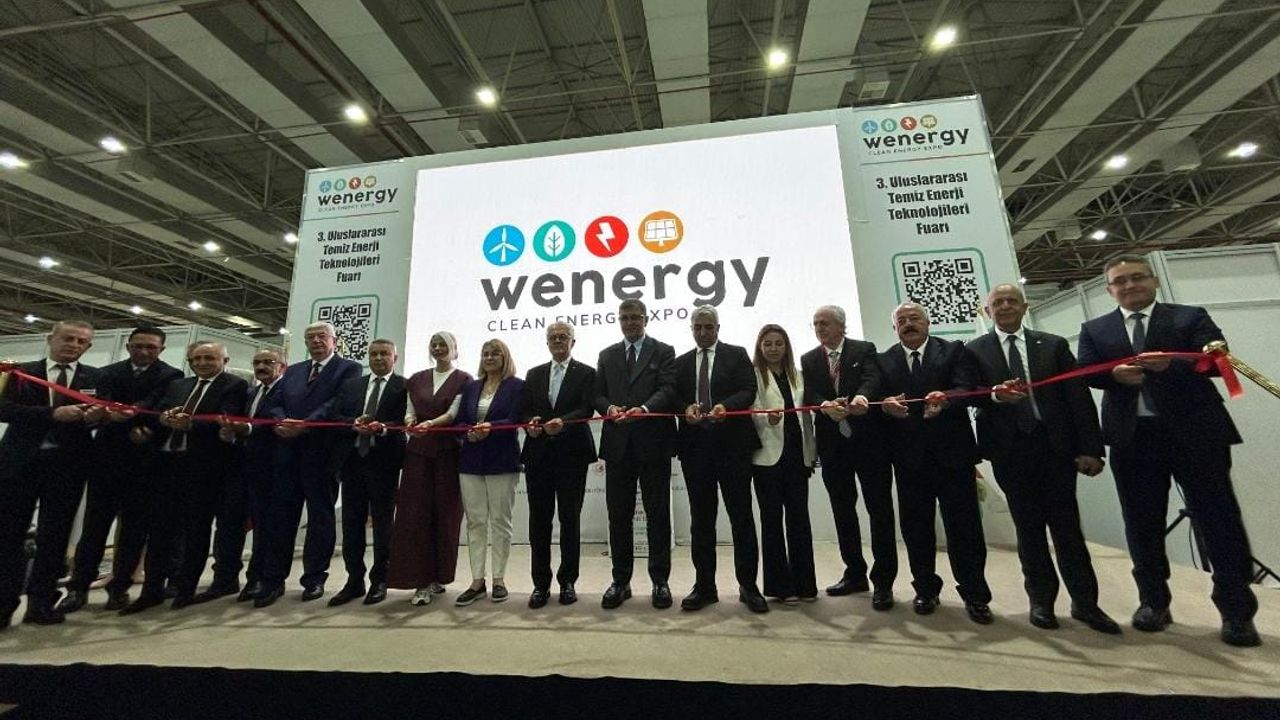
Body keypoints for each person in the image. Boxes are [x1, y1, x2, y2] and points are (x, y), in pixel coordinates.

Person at [1077, 255, 1259, 647]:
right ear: (1109, 289)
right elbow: (1087, 371)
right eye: (1120, 281)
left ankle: (1237, 612)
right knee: (1141, 524)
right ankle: (1154, 602)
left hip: (1197, 436)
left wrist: (1171, 366)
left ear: (1154, 280)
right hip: (1133, 439)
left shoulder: (1190, 317)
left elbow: (1218, 362)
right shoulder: (1095, 328)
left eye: (1136, 277)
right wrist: (1113, 375)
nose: (1129, 286)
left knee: (1219, 521)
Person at [968, 284, 1120, 634]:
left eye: (1012, 301)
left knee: (1068, 530)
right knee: (1029, 530)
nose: (1005, 306)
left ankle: (1086, 604)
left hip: (1057, 450)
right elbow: (969, 393)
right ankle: (1041, 602)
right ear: (988, 312)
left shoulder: (1053, 345)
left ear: (1024, 307)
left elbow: (1078, 398)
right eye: (997, 303)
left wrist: (1091, 448)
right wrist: (994, 395)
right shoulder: (974, 350)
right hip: (1009, 452)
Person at [878, 302, 993, 624]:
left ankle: (975, 594)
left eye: (914, 318)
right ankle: (926, 589)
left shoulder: (953, 350)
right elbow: (879, 397)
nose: (908, 324)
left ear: (927, 323)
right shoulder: (885, 360)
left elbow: (967, 388)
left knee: (965, 529)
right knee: (916, 529)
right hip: (908, 459)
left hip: (953, 456)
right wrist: (886, 404)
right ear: (894, 328)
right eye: (901, 320)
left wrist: (947, 399)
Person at [59, 325, 182, 613]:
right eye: (138, 346)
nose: (144, 351)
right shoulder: (107, 373)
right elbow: (98, 407)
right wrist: (111, 417)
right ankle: (78, 588)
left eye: (151, 347)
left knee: (133, 532)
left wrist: (143, 427)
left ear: (161, 349)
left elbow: (161, 409)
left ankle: (119, 588)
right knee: (94, 529)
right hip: (106, 462)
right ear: (128, 346)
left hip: (145, 464)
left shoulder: (171, 376)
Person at [119, 342, 247, 613]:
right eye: (196, 359)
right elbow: (159, 412)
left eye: (209, 358)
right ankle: (151, 590)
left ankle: (185, 589)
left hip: (202, 469)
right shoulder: (178, 385)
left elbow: (226, 418)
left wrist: (191, 423)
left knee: (195, 532)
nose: (202, 363)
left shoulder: (234, 385)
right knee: (159, 531)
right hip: (166, 465)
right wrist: (164, 419)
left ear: (224, 360)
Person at [0, 320, 100, 628]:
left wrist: (96, 418)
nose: (74, 345)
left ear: (88, 347)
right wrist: (52, 414)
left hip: (68, 467)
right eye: (68, 338)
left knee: (55, 537)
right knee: (8, 536)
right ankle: (4, 604)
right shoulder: (18, 372)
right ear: (50, 338)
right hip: (19, 465)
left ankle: (41, 603)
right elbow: (3, 409)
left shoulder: (96, 378)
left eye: (81, 341)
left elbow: (99, 416)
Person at [254, 322, 361, 607]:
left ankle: (314, 579)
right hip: (286, 454)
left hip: (322, 455)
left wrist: (305, 424)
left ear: (334, 340)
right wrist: (281, 421)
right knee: (281, 520)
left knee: (319, 520)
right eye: (310, 337)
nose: (316, 341)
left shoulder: (348, 369)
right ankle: (273, 580)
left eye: (321, 336)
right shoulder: (294, 370)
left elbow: (338, 404)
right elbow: (275, 401)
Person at [800, 305, 896, 610]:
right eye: (816, 324)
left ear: (841, 325)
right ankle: (854, 573)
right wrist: (824, 405)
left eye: (825, 323)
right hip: (833, 447)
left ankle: (883, 581)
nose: (819, 328)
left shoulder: (864, 349)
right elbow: (809, 393)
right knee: (843, 511)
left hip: (870, 444)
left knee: (879, 510)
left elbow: (872, 379)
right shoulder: (809, 359)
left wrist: (862, 397)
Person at [674, 307, 767, 613]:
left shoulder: (736, 354)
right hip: (695, 450)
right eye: (697, 327)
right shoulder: (681, 362)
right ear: (691, 329)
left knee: (741, 517)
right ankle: (704, 587)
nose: (703, 332)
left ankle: (748, 586)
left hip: (733, 448)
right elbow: (673, 397)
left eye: (708, 327)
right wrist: (684, 409)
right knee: (701, 520)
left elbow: (749, 390)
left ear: (718, 327)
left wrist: (726, 406)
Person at [593, 299, 677, 610]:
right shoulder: (607, 354)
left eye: (635, 317)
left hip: (653, 442)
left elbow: (668, 389)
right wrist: (608, 408)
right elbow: (597, 394)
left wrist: (644, 408)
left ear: (646, 319)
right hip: (618, 445)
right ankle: (620, 581)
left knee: (658, 515)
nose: (629, 323)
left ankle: (660, 581)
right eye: (624, 318)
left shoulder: (664, 351)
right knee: (618, 516)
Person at [387, 331, 470, 606]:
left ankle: (438, 576)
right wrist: (410, 421)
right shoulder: (417, 378)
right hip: (418, 454)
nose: (437, 348)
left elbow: (453, 413)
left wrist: (431, 425)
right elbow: (409, 409)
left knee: (446, 516)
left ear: (454, 348)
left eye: (443, 344)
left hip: (447, 453)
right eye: (434, 344)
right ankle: (419, 582)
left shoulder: (463, 379)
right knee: (415, 515)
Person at [520, 322, 597, 608]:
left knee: (569, 519)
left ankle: (568, 582)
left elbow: (587, 408)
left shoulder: (587, 373)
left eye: (563, 337)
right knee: (538, 522)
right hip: (538, 454)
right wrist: (529, 423)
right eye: (552, 337)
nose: (557, 341)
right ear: (547, 342)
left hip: (572, 454)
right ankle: (540, 584)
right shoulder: (534, 373)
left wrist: (563, 422)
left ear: (572, 342)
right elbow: (525, 409)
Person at [327, 339, 407, 607]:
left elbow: (405, 420)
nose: (379, 358)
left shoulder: (404, 386)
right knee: (351, 524)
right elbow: (335, 416)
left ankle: (380, 580)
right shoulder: (352, 385)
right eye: (374, 354)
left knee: (383, 525)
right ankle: (354, 581)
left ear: (394, 358)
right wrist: (353, 424)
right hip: (352, 463)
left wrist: (382, 427)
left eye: (384, 353)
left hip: (384, 464)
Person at [750, 324, 818, 605]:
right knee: (772, 521)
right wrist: (766, 417)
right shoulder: (753, 375)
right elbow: (750, 410)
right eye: (768, 344)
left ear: (786, 346)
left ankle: (805, 585)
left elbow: (807, 414)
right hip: (767, 457)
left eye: (779, 343)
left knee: (799, 519)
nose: (773, 348)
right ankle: (780, 586)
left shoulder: (798, 375)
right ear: (760, 347)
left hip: (797, 455)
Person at [453, 339, 524, 606]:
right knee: (475, 522)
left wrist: (490, 428)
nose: (490, 357)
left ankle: (499, 580)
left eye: (495, 353)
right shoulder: (471, 387)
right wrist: (467, 433)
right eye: (486, 353)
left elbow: (515, 418)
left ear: (505, 357)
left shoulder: (517, 386)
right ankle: (477, 581)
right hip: (470, 461)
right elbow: (460, 421)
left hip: (501, 460)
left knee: (500, 521)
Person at [217, 348, 286, 603]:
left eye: (268, 362)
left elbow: (276, 420)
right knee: (234, 524)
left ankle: (265, 580)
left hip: (272, 469)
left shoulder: (286, 391)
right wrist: (231, 434)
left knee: (267, 528)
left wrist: (245, 428)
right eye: (257, 362)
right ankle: (239, 579)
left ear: (282, 366)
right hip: (244, 466)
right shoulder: (252, 391)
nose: (261, 367)